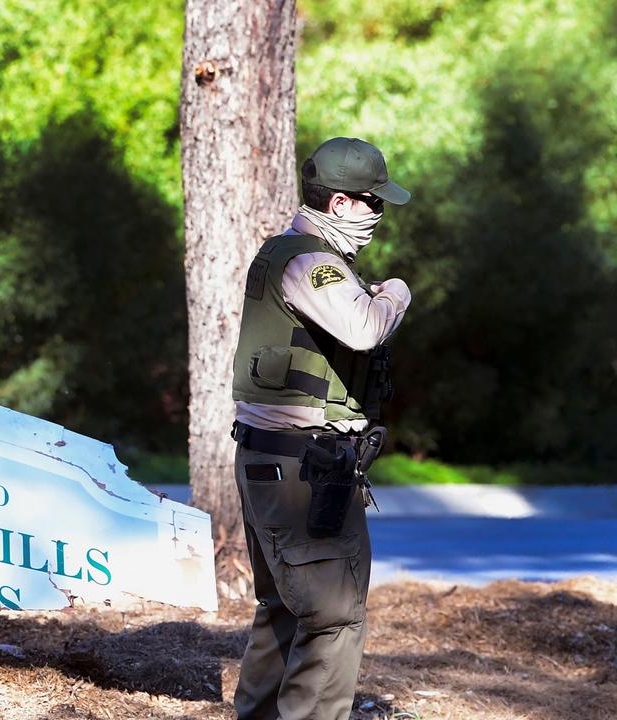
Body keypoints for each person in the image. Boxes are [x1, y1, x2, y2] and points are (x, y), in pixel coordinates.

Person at [229, 137, 412, 719]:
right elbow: (363, 329)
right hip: (304, 470)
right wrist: (397, 295)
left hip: (278, 461)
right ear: (338, 203)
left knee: (284, 608)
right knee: (333, 618)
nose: (378, 217)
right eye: (371, 203)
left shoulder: (285, 253)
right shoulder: (312, 262)